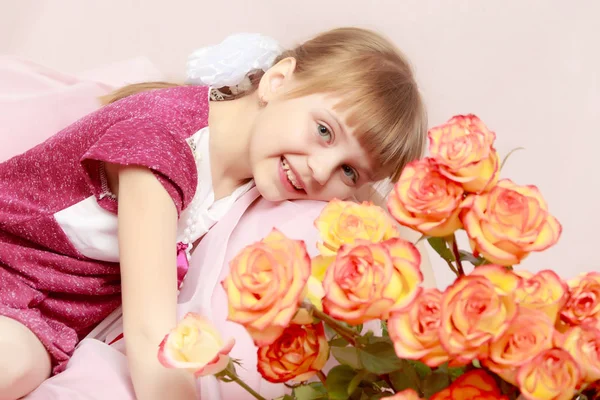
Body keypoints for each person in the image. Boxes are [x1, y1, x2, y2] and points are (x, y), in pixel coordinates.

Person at [0, 27, 427, 400]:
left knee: (19, 366)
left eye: (348, 171)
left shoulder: (255, 172)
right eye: (323, 130)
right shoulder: (163, 146)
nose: (320, 169)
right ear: (277, 81)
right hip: (10, 262)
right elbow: (152, 337)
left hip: (50, 315)